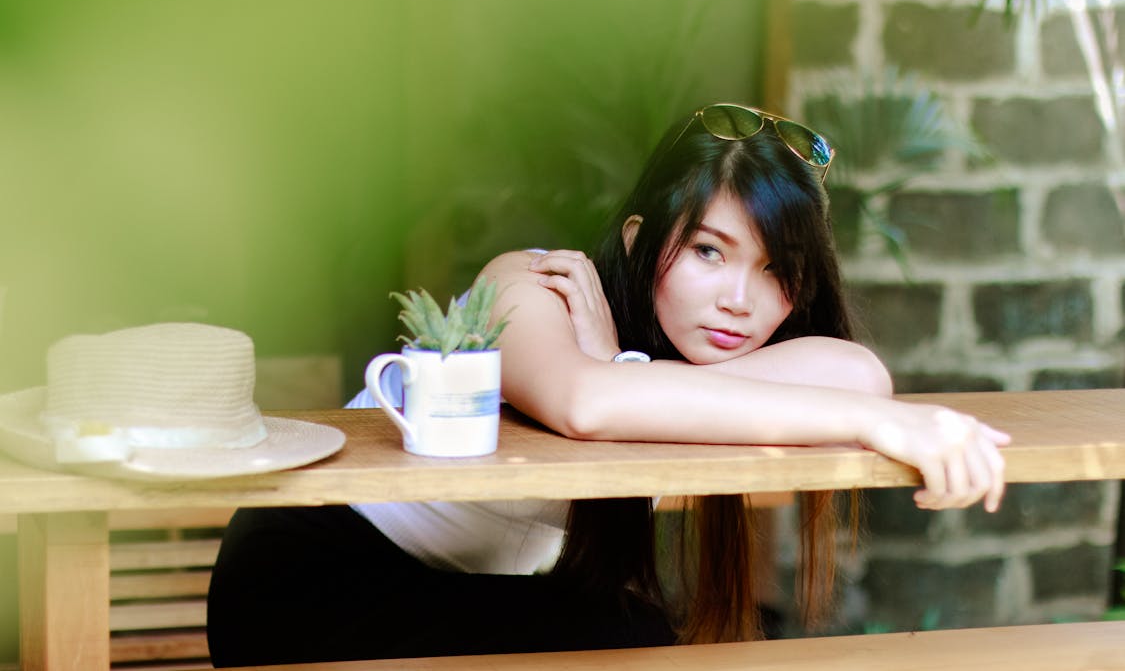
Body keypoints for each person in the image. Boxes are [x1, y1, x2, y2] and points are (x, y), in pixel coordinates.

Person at [207, 103, 1008, 666]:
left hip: (466, 595)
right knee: (630, 642)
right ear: (639, 239)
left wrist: (625, 366)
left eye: (774, 270)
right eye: (707, 252)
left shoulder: (717, 361)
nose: (739, 298)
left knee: (631, 636)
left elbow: (858, 374)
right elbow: (585, 405)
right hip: (314, 583)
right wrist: (611, 368)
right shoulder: (529, 288)